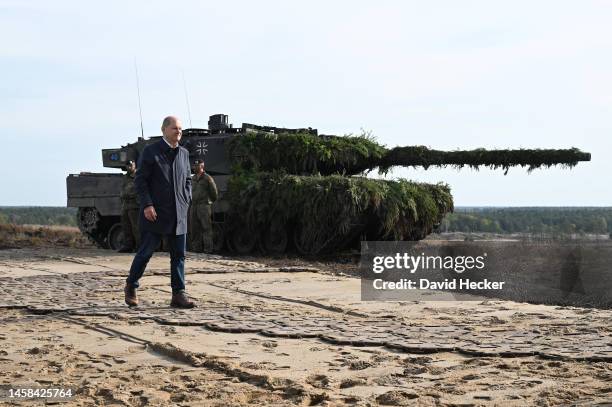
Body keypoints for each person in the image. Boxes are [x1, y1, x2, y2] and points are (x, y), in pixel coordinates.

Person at [124, 116, 195, 308]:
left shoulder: (184, 154)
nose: (178, 131)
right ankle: (131, 285)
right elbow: (140, 180)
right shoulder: (151, 151)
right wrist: (147, 204)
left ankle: (178, 294)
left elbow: (188, 179)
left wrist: (186, 198)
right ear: (164, 130)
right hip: (155, 213)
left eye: (180, 129)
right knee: (146, 252)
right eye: (174, 128)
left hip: (178, 213)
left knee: (179, 255)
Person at [189, 160, 218, 253]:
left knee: (206, 228)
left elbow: (214, 193)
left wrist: (209, 202)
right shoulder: (192, 178)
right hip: (194, 206)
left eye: (196, 165)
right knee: (194, 228)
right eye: (194, 165)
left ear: (201, 166)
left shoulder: (207, 178)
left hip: (203, 206)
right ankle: (196, 249)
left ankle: (208, 249)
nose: (194, 167)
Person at [118, 160, 140, 252]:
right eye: (128, 165)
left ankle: (139, 246)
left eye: (131, 165)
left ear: (135, 165)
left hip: (134, 205)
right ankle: (128, 245)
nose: (129, 167)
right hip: (125, 205)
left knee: (136, 228)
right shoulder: (125, 177)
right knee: (126, 227)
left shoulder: (139, 176)